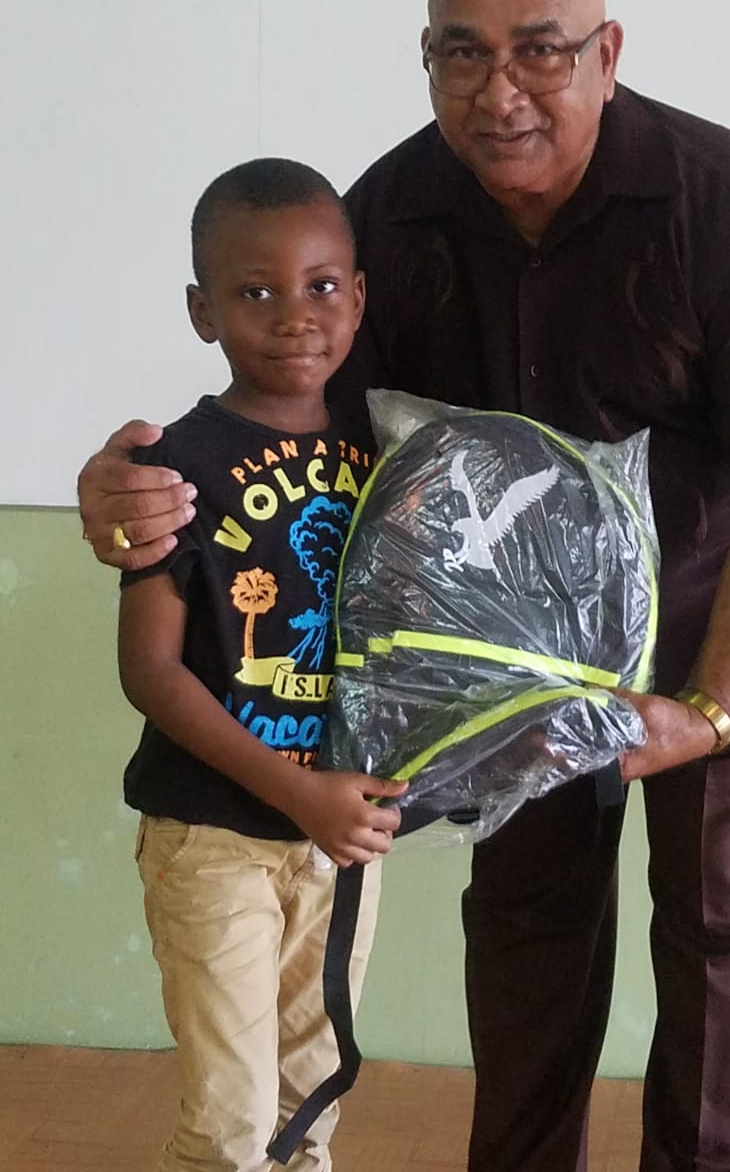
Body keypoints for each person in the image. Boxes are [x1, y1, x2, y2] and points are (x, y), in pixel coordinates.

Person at [79, 0, 730, 1172]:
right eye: (461, 53)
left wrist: (713, 710)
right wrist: (129, 482)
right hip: (493, 688)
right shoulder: (385, 220)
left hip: (712, 644)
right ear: (425, 58)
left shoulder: (726, 210)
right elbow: (285, 418)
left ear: (609, 50)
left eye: (541, 51)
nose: (499, 91)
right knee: (527, 943)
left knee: (726, 943)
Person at [114, 156, 407, 1172]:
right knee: (232, 1120)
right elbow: (151, 670)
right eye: (257, 291)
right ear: (203, 310)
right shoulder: (172, 465)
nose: (297, 315)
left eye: (323, 285)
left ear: (358, 296)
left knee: (311, 1095)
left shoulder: (389, 452)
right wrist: (298, 791)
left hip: (342, 841)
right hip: (212, 835)